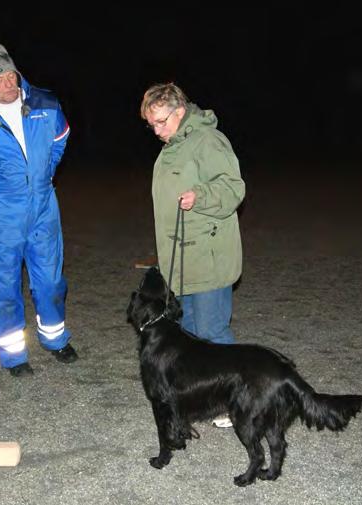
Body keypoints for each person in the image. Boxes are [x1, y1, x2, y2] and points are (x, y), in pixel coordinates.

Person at [0, 43, 78, 377]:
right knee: (3, 286)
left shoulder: (46, 104)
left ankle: (55, 339)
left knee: (50, 281)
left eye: (11, 75)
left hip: (43, 206)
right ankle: (14, 356)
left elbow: (60, 138)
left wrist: (44, 172)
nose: (9, 83)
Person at [140, 82, 246, 427]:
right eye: (151, 124)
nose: (157, 131)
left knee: (212, 331)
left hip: (208, 255)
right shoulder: (173, 145)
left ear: (180, 111)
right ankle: (199, 397)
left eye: (161, 122)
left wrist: (201, 195)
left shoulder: (207, 140)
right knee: (185, 332)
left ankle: (236, 400)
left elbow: (233, 188)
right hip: (181, 260)